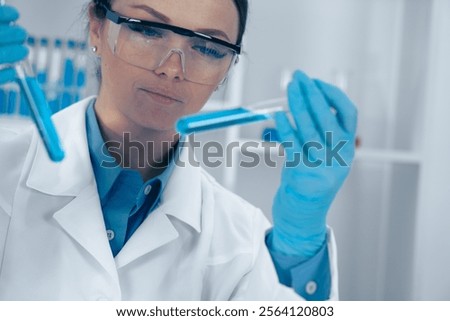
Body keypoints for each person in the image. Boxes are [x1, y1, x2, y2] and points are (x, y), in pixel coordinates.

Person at [0, 0, 357, 300]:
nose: (172, 68)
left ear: (227, 70)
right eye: (147, 29)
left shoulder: (244, 241)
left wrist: (299, 245)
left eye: (206, 47)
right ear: (97, 28)